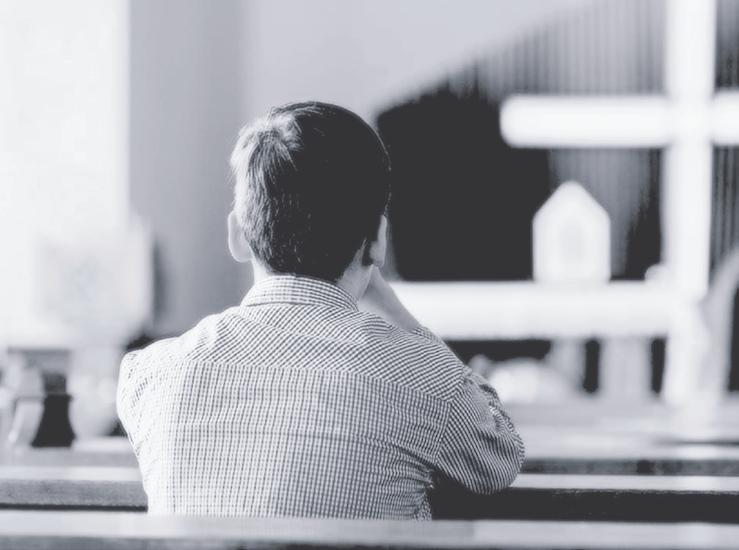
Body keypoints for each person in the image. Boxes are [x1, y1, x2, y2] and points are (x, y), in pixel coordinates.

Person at [116, 101, 524, 519]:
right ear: (378, 241)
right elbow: (498, 460)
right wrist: (404, 321)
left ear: (238, 236)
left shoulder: (150, 375)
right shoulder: (421, 376)